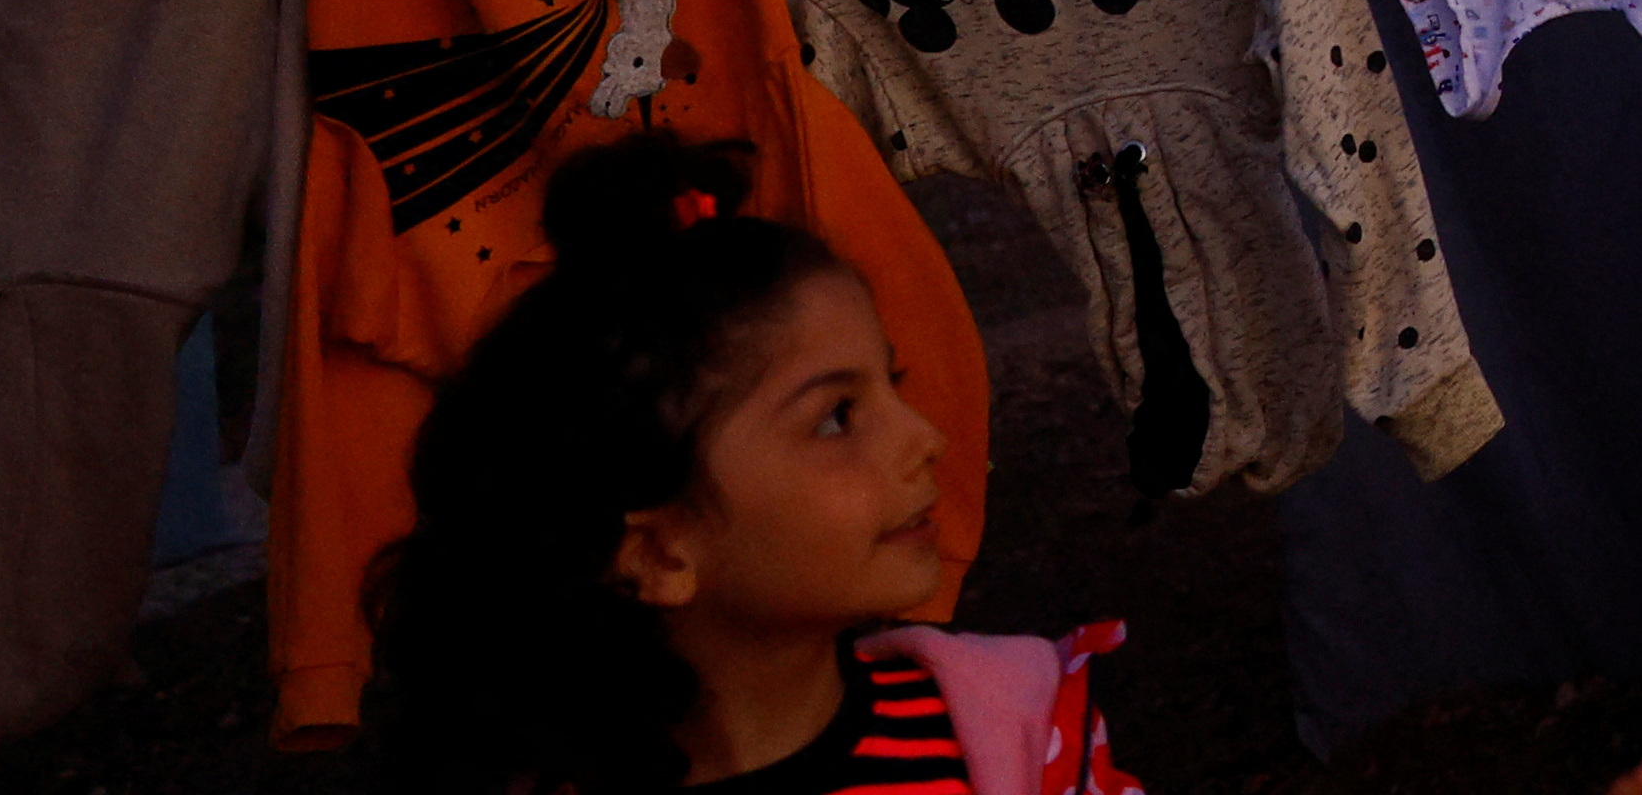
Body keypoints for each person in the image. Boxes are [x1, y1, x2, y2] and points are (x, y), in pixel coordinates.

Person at [362, 136, 1131, 795]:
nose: (925, 437)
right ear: (660, 552)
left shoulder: (1019, 741)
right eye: (836, 418)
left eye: (889, 385)